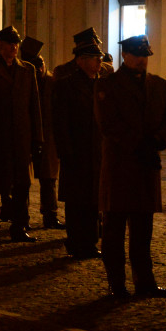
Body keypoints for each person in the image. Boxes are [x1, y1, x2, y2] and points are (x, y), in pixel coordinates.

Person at [95, 35, 166, 298]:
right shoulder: (108, 85)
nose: (142, 60)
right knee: (114, 230)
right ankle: (116, 284)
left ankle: (145, 282)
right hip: (121, 166)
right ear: (125, 56)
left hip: (146, 166)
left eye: (145, 56)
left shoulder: (160, 85)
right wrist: (138, 144)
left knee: (143, 230)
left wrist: (158, 140)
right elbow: (108, 124)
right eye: (136, 55)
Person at [0, 26, 42, 244]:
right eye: (9, 44)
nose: (14, 47)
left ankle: (19, 226)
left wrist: (37, 137)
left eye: (16, 44)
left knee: (22, 185)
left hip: (21, 137)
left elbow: (34, 106)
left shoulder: (27, 70)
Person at [51, 41, 105, 260]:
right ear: (81, 61)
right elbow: (60, 122)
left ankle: (90, 241)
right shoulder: (66, 85)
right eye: (95, 58)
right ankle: (75, 241)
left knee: (94, 200)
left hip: (97, 152)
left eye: (100, 58)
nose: (99, 62)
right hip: (76, 151)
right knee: (76, 201)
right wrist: (66, 151)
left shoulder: (102, 85)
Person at [20, 37, 64, 230]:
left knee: (48, 179)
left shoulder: (52, 82)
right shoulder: (24, 79)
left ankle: (50, 214)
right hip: (26, 134)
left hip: (48, 136)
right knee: (22, 180)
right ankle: (22, 217)